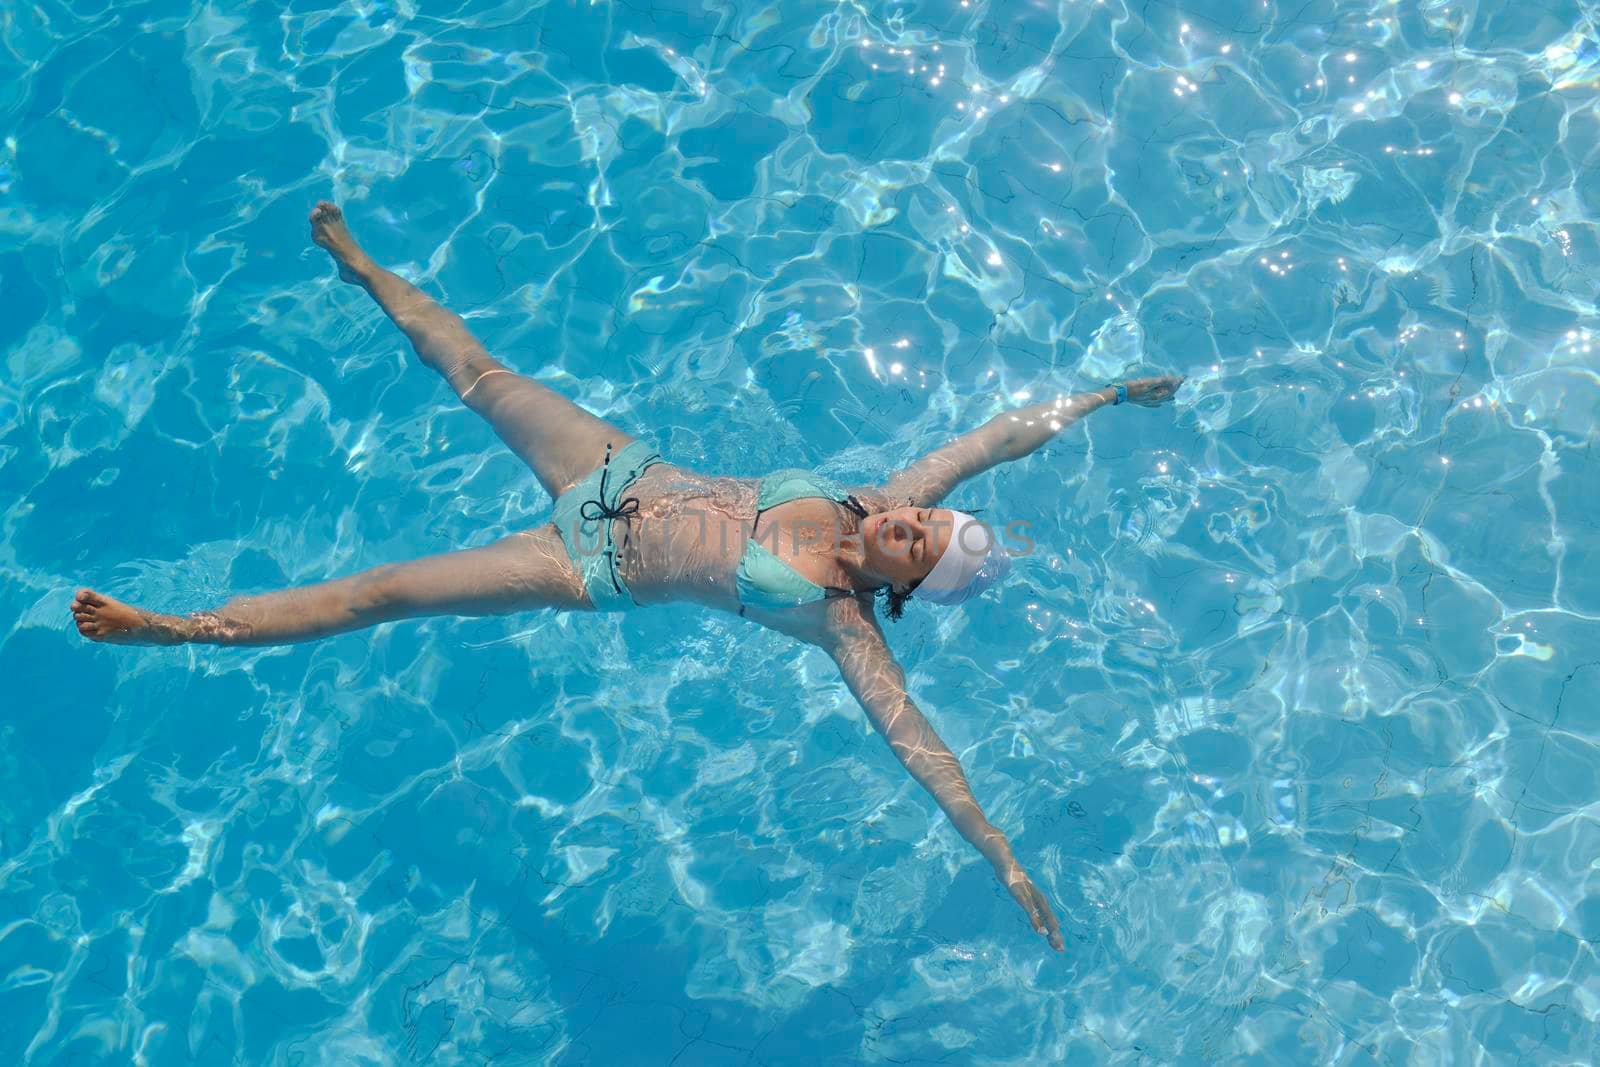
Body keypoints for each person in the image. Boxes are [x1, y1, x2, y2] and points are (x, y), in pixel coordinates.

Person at [72, 202, 1184, 953]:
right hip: (618, 467)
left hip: (590, 557)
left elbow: (922, 752)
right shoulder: (876, 495)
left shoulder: (846, 626)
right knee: (475, 366)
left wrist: (999, 860)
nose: (909, 514)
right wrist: (1105, 396)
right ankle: (361, 264)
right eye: (924, 512)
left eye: (919, 537)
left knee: (386, 591)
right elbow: (992, 435)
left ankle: (179, 628)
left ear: (909, 581)